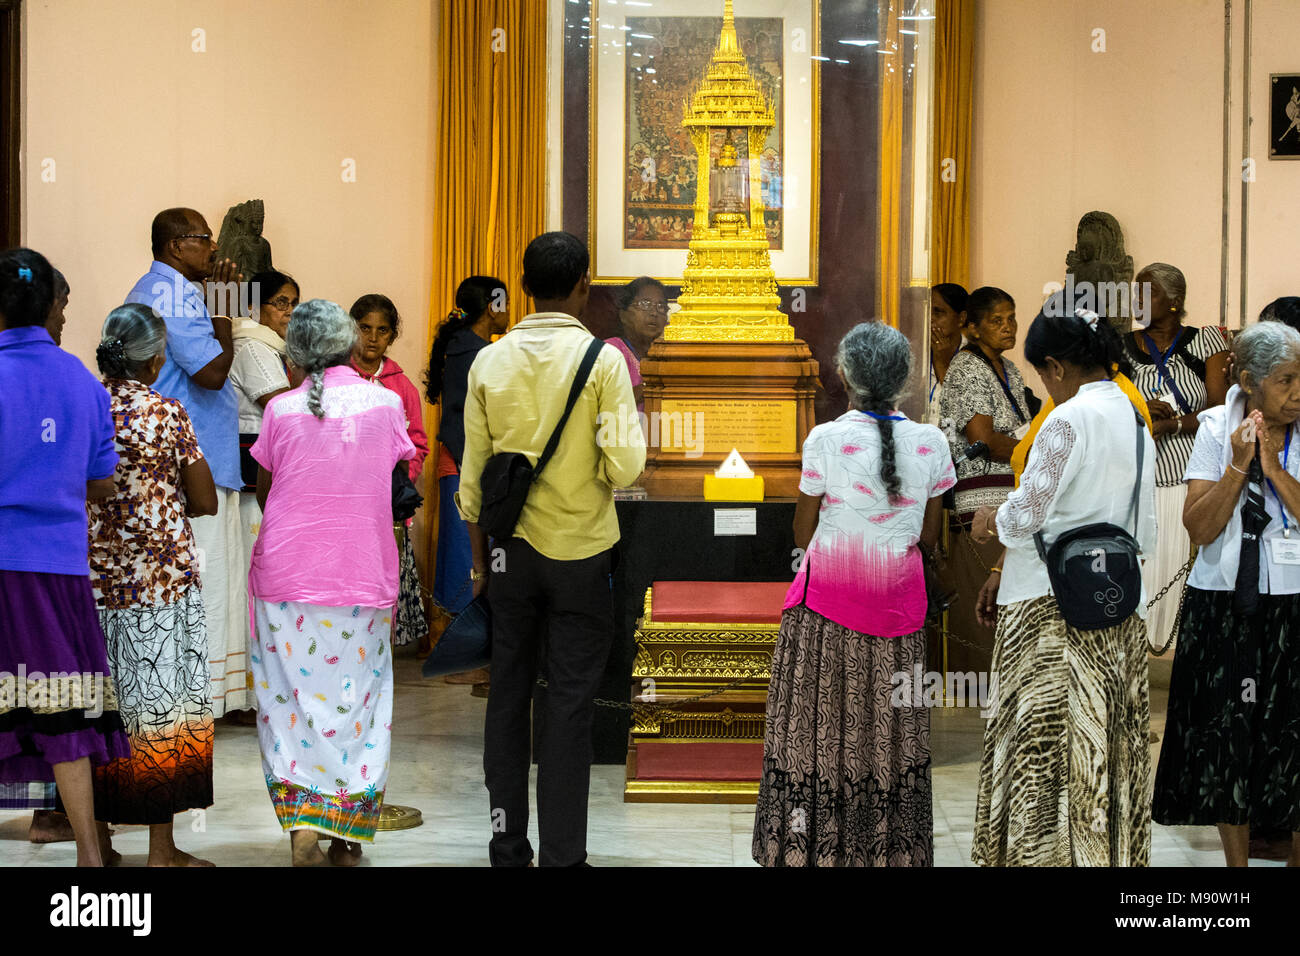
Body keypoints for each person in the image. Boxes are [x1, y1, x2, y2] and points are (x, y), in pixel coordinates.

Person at [457, 231, 644, 866]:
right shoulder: (604, 362)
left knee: (508, 697)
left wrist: (482, 565)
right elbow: (625, 465)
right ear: (584, 285)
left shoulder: (490, 359)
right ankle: (564, 856)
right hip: (582, 554)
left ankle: (508, 845)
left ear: (525, 283)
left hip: (509, 557)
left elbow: (474, 480)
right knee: (568, 707)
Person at [752, 321, 954, 867]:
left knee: (816, 736)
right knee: (890, 741)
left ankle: (810, 848)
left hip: (825, 616)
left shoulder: (822, 439)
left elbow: (802, 534)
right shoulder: (932, 442)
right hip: (900, 615)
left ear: (843, 375)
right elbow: (931, 537)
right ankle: (888, 851)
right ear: (906, 379)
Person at [968, 294, 1156, 866]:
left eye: (1042, 373)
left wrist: (989, 522)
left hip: (1048, 608)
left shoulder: (1069, 417)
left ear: (1055, 367)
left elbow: (1027, 513)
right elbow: (1144, 520)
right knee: (1101, 745)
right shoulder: (1131, 410)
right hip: (1115, 603)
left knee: (1044, 748)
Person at [249, 299, 415, 866]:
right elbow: (394, 473)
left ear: (296, 352)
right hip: (361, 576)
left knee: (287, 703)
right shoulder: (387, 404)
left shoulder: (281, 411)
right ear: (349, 343)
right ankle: (347, 835)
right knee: (359, 704)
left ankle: (302, 828)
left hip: (287, 576)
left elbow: (268, 487)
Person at [0, 247, 131, 867]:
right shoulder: (82, 380)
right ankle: (89, 854)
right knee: (64, 703)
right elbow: (101, 478)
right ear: (53, 306)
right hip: (59, 568)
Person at [1152, 320, 1300, 867]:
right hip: (1223, 601)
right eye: (1285, 381)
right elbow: (1199, 526)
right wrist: (1240, 466)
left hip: (1293, 600)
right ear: (1250, 381)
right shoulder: (1216, 426)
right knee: (1226, 734)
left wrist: (1273, 470)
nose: (1298, 392)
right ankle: (1236, 870)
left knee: (1292, 735)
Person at [88, 304, 219, 867]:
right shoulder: (165, 413)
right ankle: (162, 852)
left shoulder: (86, 405)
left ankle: (100, 847)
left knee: (99, 708)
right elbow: (206, 499)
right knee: (160, 711)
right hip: (160, 582)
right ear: (156, 355)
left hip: (94, 579)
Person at [125, 207, 251, 717]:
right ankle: (198, 699)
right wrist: (223, 310)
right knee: (204, 582)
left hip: (204, 454)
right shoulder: (167, 295)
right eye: (205, 239)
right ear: (176, 245)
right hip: (187, 464)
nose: (214, 249)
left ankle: (216, 696)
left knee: (218, 580)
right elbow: (213, 374)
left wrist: (223, 304)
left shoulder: (179, 291)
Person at [1122, 263, 1228, 650]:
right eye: (1136, 292)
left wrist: (1176, 424)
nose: (1137, 300)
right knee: (1143, 571)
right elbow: (1110, 405)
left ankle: (1185, 655)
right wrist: (1141, 409)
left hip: (1192, 479)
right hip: (1142, 479)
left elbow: (1219, 409)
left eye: (1147, 293)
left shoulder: (1207, 343)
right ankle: (1140, 652)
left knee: (1188, 570)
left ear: (1174, 302)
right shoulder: (1122, 348)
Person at [937, 287, 1031, 672]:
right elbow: (983, 440)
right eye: (997, 321)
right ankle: (976, 702)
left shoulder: (1009, 369)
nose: (1008, 328)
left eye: (1011, 318)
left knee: (1007, 609)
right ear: (972, 328)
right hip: (982, 505)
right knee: (984, 611)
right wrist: (1035, 451)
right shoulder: (967, 369)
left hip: (1010, 497)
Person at [423, 276, 509, 681]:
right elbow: (461, 420)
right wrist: (478, 473)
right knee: (468, 565)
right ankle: (465, 660)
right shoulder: (474, 352)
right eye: (504, 301)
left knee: (469, 560)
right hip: (465, 466)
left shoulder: (466, 347)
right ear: (491, 306)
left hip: (462, 463)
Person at [349, 294, 430, 648]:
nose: (372, 338)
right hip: (345, 501)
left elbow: (418, 445)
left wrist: (398, 482)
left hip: (387, 505)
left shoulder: (402, 387)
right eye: (364, 328)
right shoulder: (338, 378)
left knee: (383, 584)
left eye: (382, 331)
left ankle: (378, 650)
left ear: (392, 336)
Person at [229, 270, 297, 595]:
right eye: (281, 303)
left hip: (263, 464)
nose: (290, 312)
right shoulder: (253, 347)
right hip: (253, 468)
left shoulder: (270, 347)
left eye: (295, 303)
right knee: (253, 554)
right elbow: (284, 407)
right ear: (255, 307)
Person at [606, 276, 669, 411]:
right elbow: (608, 404)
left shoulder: (667, 354)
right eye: (645, 304)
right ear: (623, 315)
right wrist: (650, 386)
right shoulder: (610, 350)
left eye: (661, 307)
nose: (654, 313)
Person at [927, 283, 967, 426]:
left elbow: (965, 411)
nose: (930, 319)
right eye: (928, 311)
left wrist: (942, 364)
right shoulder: (917, 351)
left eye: (938, 312)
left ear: (961, 318)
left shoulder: (973, 357)